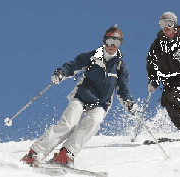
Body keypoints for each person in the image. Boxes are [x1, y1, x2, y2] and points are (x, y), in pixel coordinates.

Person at [22, 25, 138, 167]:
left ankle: (65, 155)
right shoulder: (92, 57)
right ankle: (35, 154)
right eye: (109, 42)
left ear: (120, 44)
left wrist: (128, 102)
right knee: (69, 123)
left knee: (93, 123)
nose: (112, 46)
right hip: (81, 97)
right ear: (104, 42)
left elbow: (123, 89)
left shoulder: (120, 67)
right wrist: (60, 73)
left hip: (101, 104)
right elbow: (72, 66)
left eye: (117, 43)